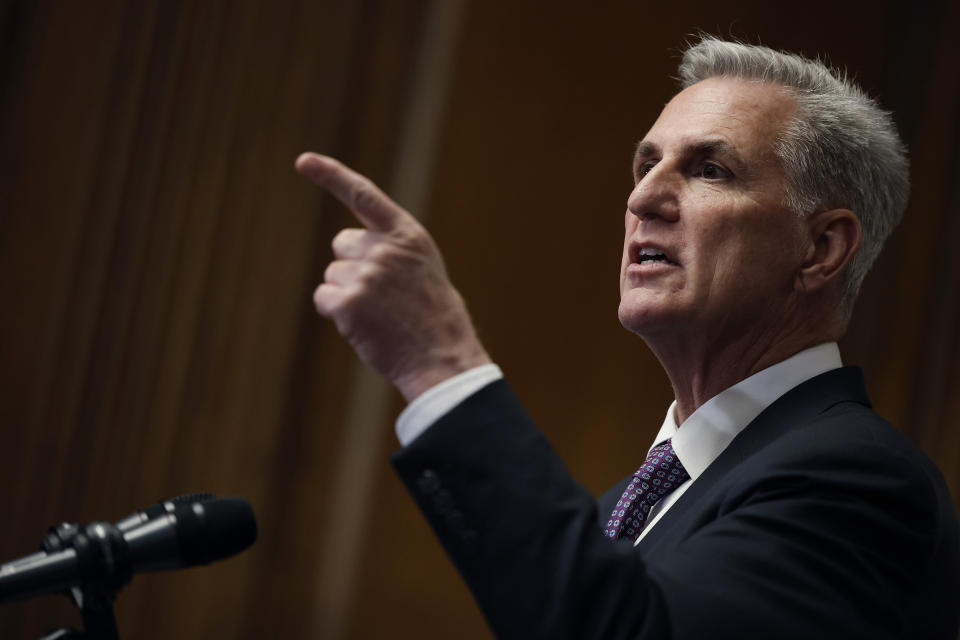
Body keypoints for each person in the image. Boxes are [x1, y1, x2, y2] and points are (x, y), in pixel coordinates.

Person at [294, 37, 960, 639]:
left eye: (710, 170)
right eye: (645, 164)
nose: (644, 198)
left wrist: (439, 364)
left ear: (820, 248)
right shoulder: (631, 502)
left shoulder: (856, 479)